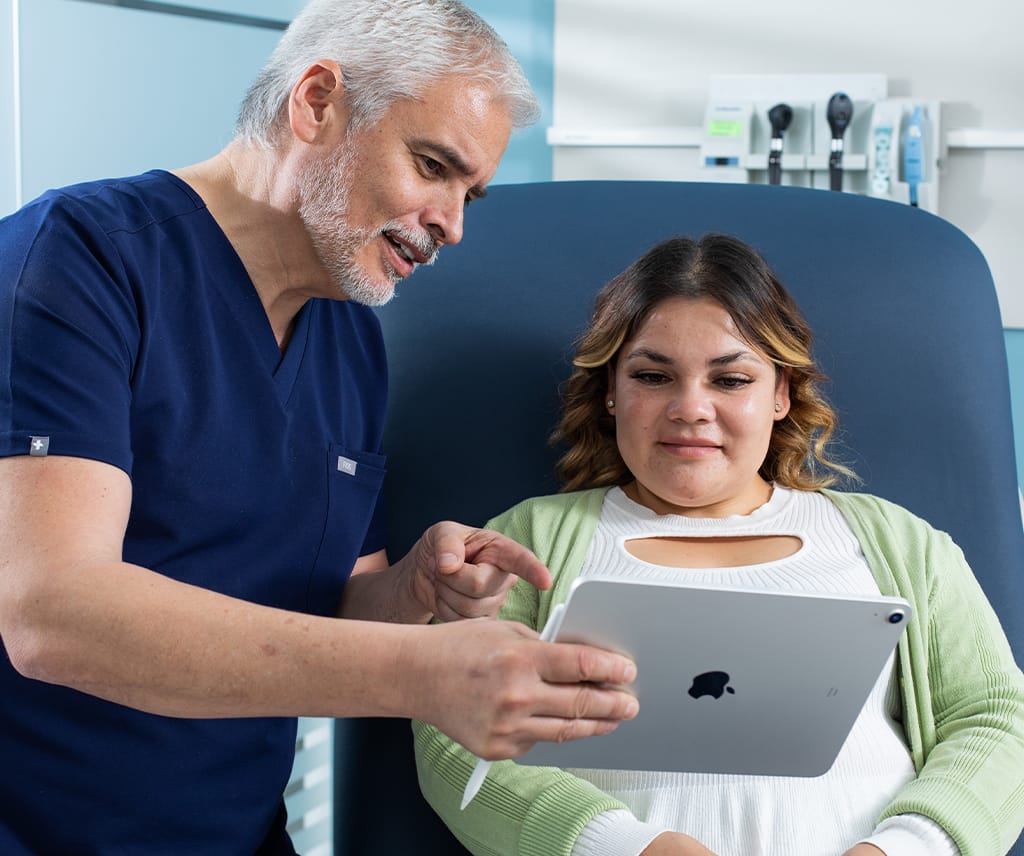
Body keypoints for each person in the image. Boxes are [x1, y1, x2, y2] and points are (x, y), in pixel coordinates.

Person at [0, 2, 640, 853]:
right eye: (432, 166)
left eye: (470, 191)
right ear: (316, 103)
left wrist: (413, 591)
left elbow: (338, 607)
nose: (454, 223)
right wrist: (430, 674)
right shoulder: (79, 260)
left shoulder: (350, 336)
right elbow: (52, 613)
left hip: (241, 831)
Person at [413, 234, 1024, 856]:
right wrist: (626, 846)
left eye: (730, 379)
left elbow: (997, 721)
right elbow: (451, 729)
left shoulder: (900, 544)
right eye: (653, 376)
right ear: (610, 391)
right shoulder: (527, 540)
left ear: (781, 393)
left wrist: (905, 848)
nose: (690, 409)